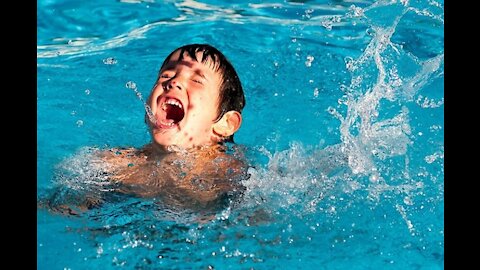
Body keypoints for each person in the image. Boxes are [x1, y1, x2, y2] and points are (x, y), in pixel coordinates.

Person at [40, 44, 249, 215]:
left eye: (196, 80)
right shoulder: (118, 163)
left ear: (225, 124)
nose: (173, 82)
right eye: (165, 76)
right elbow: (63, 203)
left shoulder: (228, 174)